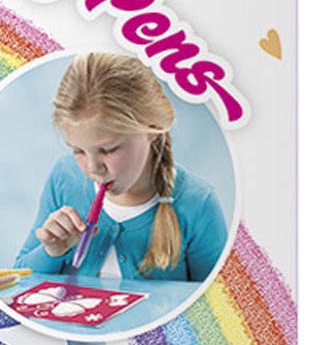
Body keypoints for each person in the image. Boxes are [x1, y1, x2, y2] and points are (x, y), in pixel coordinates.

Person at [16, 53, 227, 281]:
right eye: (78, 151)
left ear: (152, 130)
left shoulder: (198, 203)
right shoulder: (65, 178)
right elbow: (19, 276)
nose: (93, 169)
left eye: (108, 150)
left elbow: (218, 299)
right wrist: (51, 252)